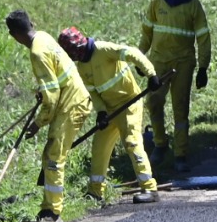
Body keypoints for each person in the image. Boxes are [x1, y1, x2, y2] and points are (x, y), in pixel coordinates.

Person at [7, 10, 93, 222]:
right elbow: (53, 82)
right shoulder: (44, 36)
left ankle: (53, 213)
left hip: (71, 103)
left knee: (54, 156)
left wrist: (38, 122)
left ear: (14, 34)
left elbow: (52, 94)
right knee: (50, 154)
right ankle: (47, 208)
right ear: (31, 24)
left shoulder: (37, 52)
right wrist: (42, 93)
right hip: (72, 99)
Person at [59, 29, 161, 204]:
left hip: (130, 103)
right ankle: (95, 193)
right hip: (110, 110)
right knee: (99, 148)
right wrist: (101, 112)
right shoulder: (81, 67)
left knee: (132, 142)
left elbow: (133, 53)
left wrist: (151, 74)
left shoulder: (103, 49)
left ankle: (150, 188)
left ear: (77, 48)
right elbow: (93, 93)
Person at [137, 0, 213, 167]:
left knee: (180, 108)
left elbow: (203, 37)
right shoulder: (156, 1)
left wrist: (203, 68)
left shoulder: (193, 5)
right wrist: (140, 57)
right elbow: (147, 33)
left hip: (183, 63)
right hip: (159, 62)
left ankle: (181, 154)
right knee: (153, 101)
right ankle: (160, 144)